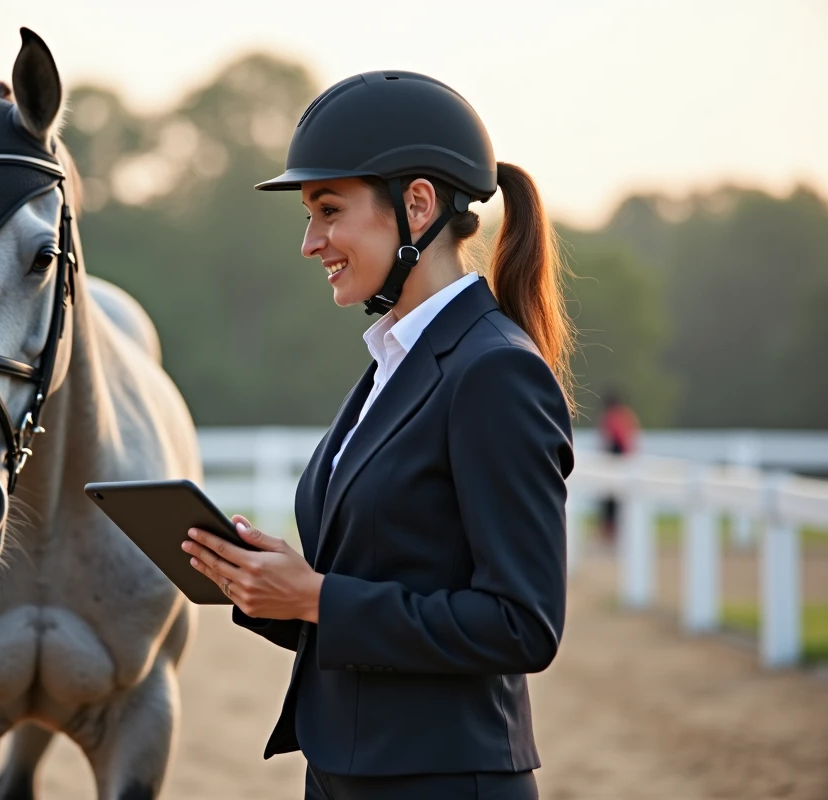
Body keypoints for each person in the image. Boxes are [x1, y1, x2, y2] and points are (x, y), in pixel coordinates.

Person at [181, 71, 576, 800]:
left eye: (328, 210)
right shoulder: (393, 364)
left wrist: (318, 598)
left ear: (417, 203)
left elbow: (522, 624)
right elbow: (385, 584)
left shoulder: (494, 373)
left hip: (443, 780)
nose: (310, 242)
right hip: (343, 773)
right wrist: (266, 587)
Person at [597, 389, 639, 543]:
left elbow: (610, 442)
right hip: (624, 460)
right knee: (617, 501)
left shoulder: (610, 417)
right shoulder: (626, 415)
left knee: (610, 501)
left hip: (614, 459)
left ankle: (609, 535)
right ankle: (618, 535)